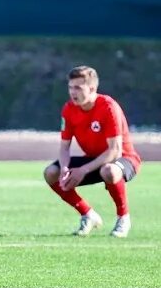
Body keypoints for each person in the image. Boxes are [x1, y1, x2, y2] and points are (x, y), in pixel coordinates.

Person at [43, 66, 141, 238]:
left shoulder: (108, 107)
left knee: (109, 170)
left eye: (78, 88)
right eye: (71, 87)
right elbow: (64, 147)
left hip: (123, 159)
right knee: (52, 173)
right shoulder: (69, 109)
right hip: (93, 160)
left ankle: (123, 218)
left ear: (92, 88)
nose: (73, 93)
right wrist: (65, 169)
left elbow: (115, 151)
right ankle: (88, 214)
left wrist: (83, 170)